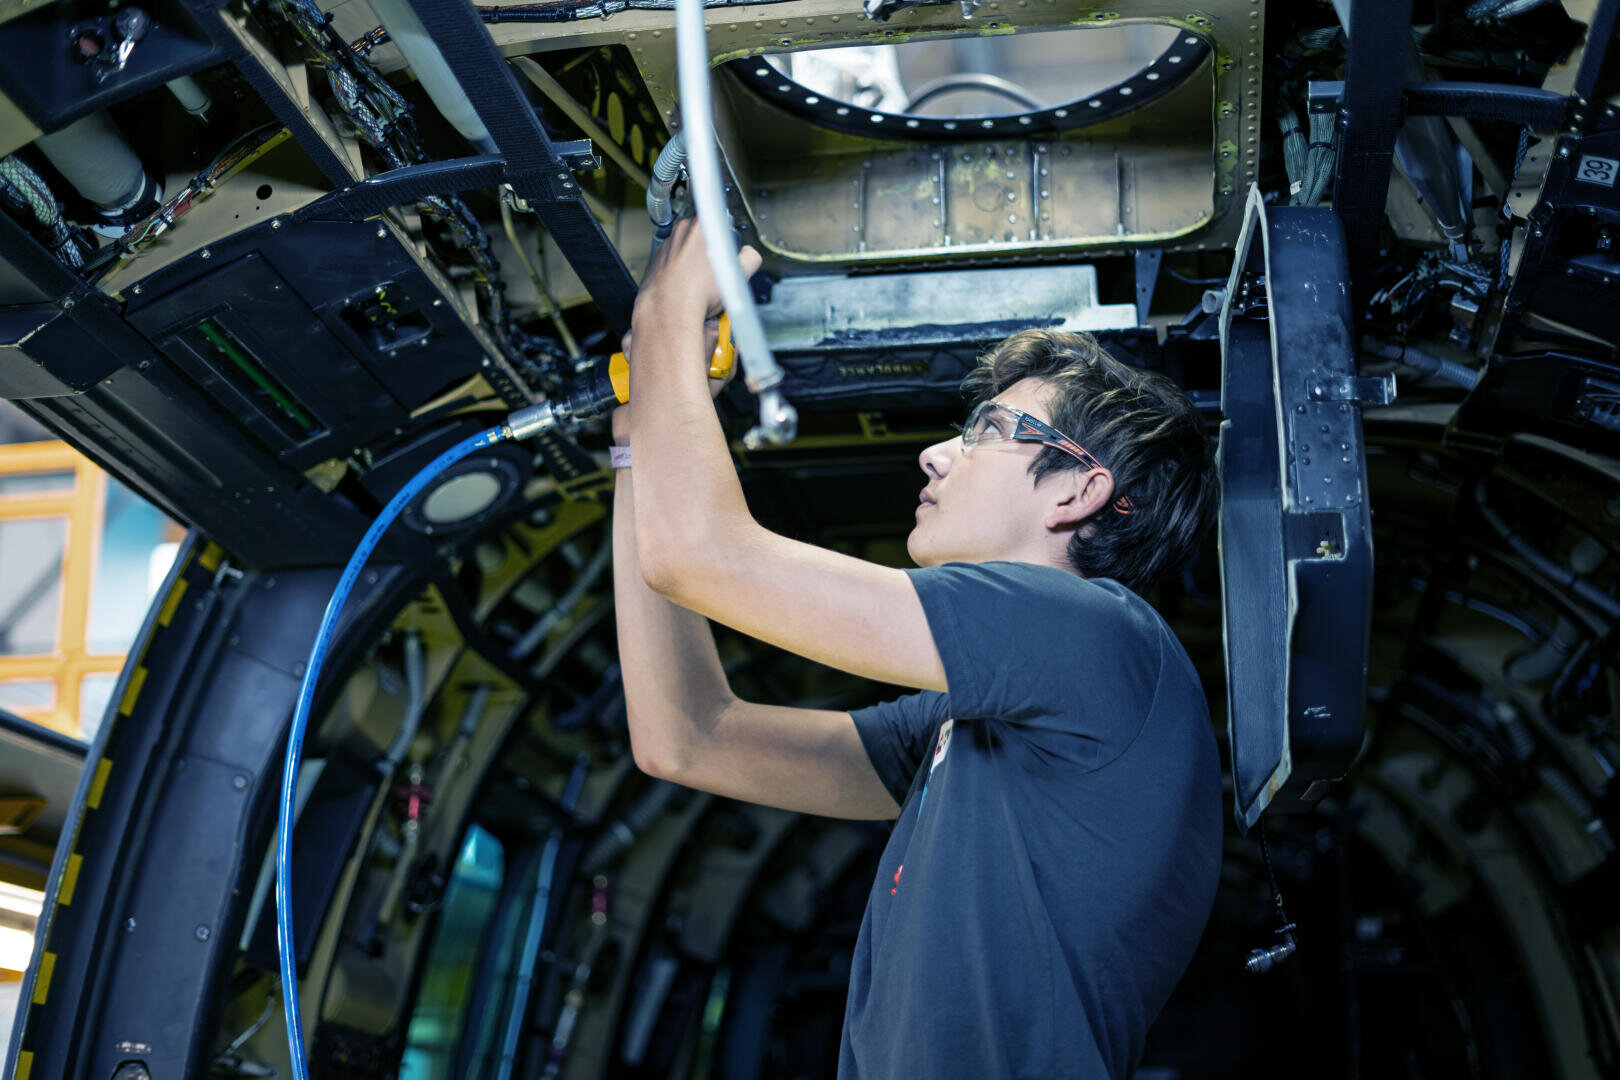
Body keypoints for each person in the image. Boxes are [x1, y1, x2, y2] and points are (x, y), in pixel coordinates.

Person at [611, 216, 1222, 1079]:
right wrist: (637, 446)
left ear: (1080, 492)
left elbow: (700, 557)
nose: (936, 455)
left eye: (988, 430)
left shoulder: (1101, 632)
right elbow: (687, 737)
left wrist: (666, 318)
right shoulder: (970, 731)